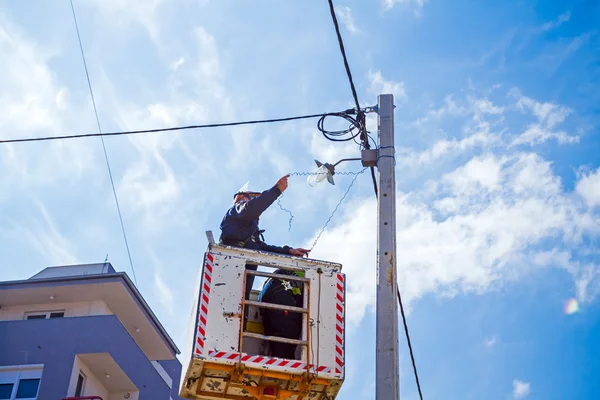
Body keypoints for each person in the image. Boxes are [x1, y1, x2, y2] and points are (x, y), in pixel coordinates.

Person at [219, 175, 310, 326]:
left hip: (240, 291)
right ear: (242, 197)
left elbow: (263, 248)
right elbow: (252, 208)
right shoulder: (235, 212)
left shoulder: (249, 235)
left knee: (239, 320)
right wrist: (276, 191)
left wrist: (289, 251)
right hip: (227, 283)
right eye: (253, 198)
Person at [258, 269, 305, 359]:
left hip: (272, 315)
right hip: (283, 316)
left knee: (279, 347)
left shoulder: (271, 283)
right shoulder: (285, 285)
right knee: (284, 352)